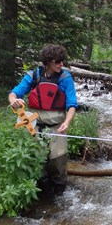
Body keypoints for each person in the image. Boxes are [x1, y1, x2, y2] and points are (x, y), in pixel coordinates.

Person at [8, 44, 78, 194]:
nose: (61, 64)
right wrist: (13, 100)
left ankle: (59, 197)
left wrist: (67, 122)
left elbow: (72, 105)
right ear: (47, 62)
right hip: (35, 128)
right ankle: (42, 197)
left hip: (57, 127)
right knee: (37, 164)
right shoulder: (33, 76)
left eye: (62, 61)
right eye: (58, 61)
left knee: (58, 164)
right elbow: (13, 94)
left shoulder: (65, 78)